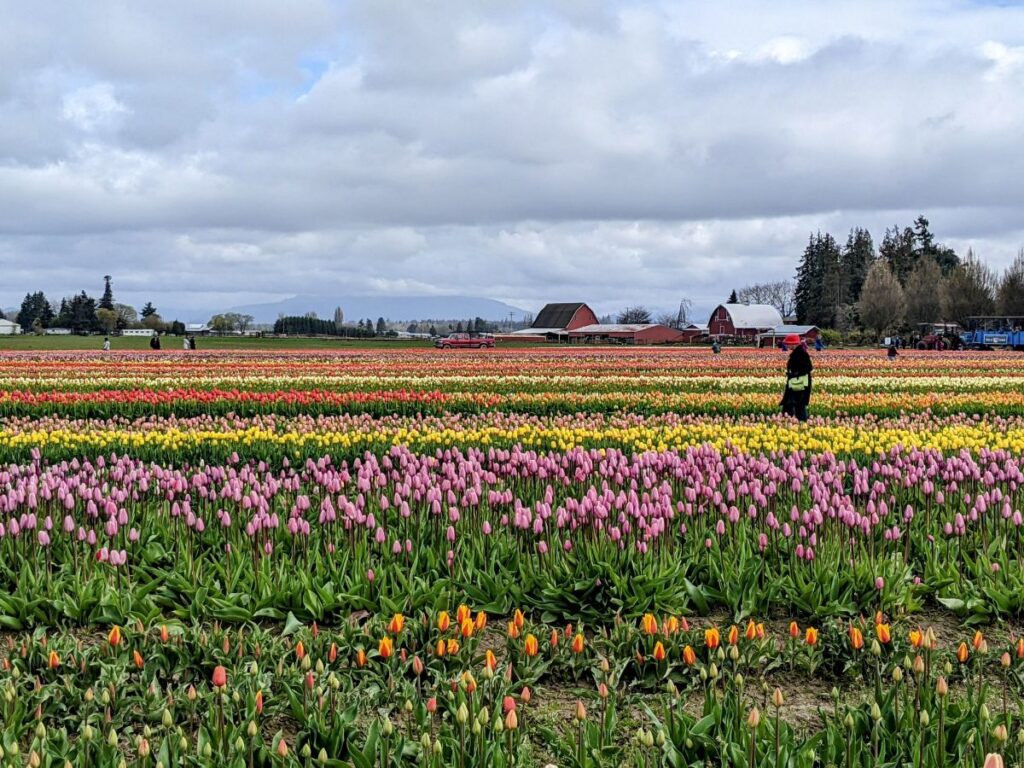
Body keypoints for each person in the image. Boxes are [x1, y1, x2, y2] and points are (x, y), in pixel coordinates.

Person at [781, 342, 812, 422]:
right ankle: (790, 422)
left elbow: (808, 367)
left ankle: (801, 423)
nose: (787, 345)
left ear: (793, 344)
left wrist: (795, 373)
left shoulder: (801, 354)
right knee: (791, 404)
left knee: (798, 405)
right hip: (795, 382)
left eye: (788, 344)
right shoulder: (797, 353)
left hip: (799, 384)